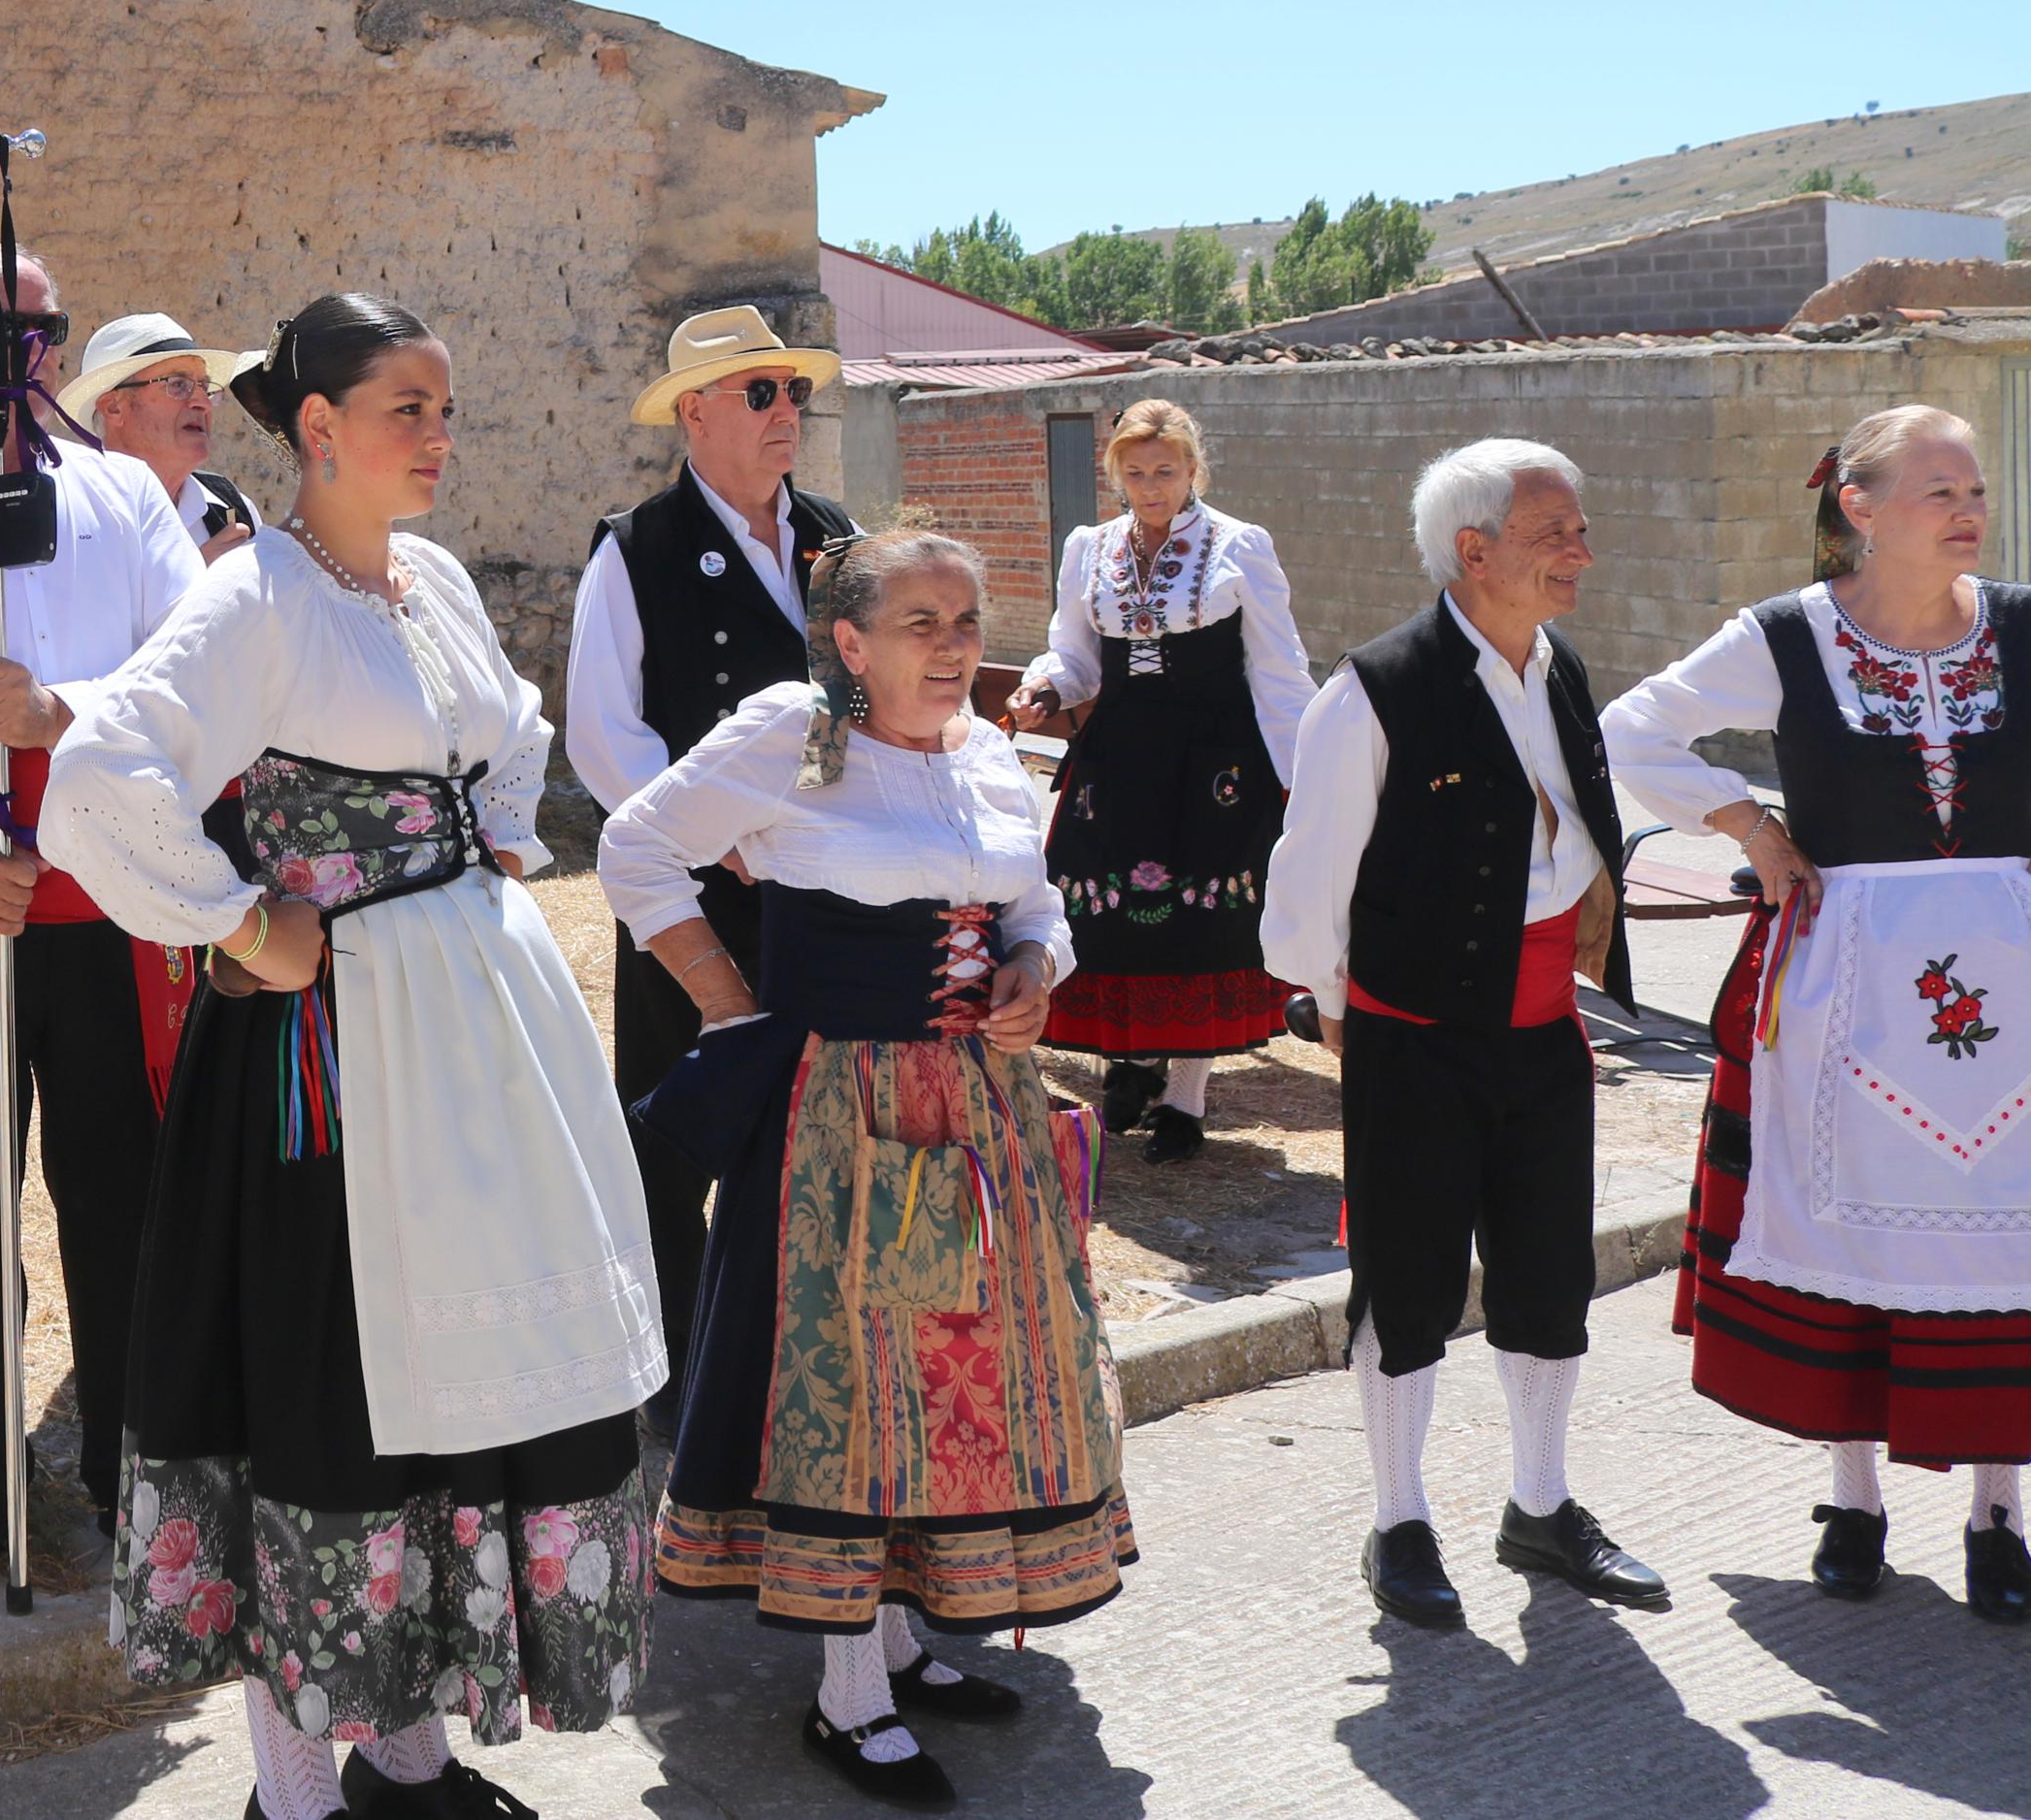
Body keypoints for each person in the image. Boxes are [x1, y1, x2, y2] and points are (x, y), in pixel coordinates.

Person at [41, 293, 664, 1820]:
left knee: (456, 1388)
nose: (437, 437)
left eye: (443, 407)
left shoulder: (430, 577)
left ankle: (409, 1754)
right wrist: (247, 925)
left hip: (470, 1043)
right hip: (326, 1073)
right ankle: (296, 1789)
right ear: (315, 428)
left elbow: (507, 732)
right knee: (325, 1393)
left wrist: (492, 846)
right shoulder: (252, 598)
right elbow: (99, 768)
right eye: (408, 408)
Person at [605, 530, 1124, 1810]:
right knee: (851, 1388)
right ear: (848, 642)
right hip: (841, 1113)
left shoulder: (991, 748)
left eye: (964, 618)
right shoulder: (793, 731)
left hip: (979, 1112)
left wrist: (1032, 968)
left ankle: (900, 1634)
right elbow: (632, 845)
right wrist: (726, 1002)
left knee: (953, 1381)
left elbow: (1034, 899)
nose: (951, 644)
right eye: (918, 621)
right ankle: (848, 1697)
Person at [1600, 404, 2031, 1623]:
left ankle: (1998, 1512)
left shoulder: (2021, 627)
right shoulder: (1785, 634)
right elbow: (1629, 730)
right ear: (1858, 505)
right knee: (1850, 1226)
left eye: (1974, 488)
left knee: (2008, 1232)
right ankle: (1852, 1497)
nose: (1967, 508)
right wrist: (1746, 823)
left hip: (2010, 974)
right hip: (1847, 976)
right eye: (1937, 488)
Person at [1259, 439, 1670, 1632]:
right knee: (1410, 1281)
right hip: (1413, 1040)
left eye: (1579, 529)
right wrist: (1347, 1019)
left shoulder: (1560, 668)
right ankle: (1397, 1519)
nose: (1582, 554)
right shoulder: (1372, 689)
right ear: (1473, 549)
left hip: (1544, 1031)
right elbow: (1306, 884)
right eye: (1558, 535)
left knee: (1549, 1276)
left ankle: (1538, 1509)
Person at [0, 251, 206, 1607]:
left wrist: (57, 708)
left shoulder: (121, 492)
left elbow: (197, 673)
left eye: (39, 326)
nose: (16, 347)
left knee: (121, 1204)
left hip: (95, 906)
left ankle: (134, 1478)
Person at [563, 305, 857, 1410]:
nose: (788, 411)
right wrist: (713, 832)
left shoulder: (835, 533)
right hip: (686, 895)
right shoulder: (633, 546)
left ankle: (795, 1367)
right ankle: (674, 1381)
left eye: (794, 392)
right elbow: (603, 731)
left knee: (807, 1130)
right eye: (760, 392)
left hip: (813, 891)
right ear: (694, 411)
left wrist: (816, 816)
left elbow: (849, 695)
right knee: (672, 1135)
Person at [1005, 399, 1315, 1160]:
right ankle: (1132, 1063)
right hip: (1116, 757)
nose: (1151, 486)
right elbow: (1075, 656)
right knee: (1101, 908)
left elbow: (1278, 671)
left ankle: (1186, 1094)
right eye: (1136, 472)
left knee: (1200, 919)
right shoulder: (1090, 549)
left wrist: (1307, 776)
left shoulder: (1239, 546)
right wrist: (1045, 688)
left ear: (1191, 469)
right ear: (1115, 474)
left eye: (1165, 471)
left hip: (1214, 764)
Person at [58, 309, 263, 558]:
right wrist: (201, 575)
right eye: (178, 385)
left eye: (205, 387)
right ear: (114, 407)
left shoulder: (231, 507)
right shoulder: (73, 513)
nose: (203, 403)